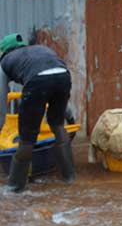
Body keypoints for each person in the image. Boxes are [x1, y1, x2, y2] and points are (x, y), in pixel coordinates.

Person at [1, 33, 76, 192]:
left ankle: (14, 189)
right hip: (63, 76)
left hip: (37, 81)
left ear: (4, 51)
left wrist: (1, 126)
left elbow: (1, 97)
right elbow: (53, 77)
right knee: (57, 125)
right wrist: (68, 115)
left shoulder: (5, 61)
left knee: (27, 139)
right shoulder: (41, 50)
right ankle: (70, 178)